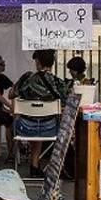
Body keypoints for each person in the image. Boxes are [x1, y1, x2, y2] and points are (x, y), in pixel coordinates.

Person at [9, 49, 69, 177]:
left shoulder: (27, 78)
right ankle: (56, 167)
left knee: (34, 119)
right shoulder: (58, 83)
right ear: (52, 63)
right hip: (51, 129)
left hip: (25, 129)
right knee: (42, 119)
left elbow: (11, 95)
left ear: (38, 62)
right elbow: (66, 101)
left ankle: (34, 166)